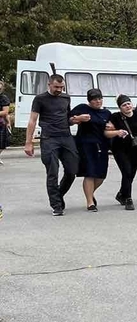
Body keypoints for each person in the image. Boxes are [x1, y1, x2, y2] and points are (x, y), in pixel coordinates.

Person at [24, 74, 90, 216]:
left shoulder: (66, 98)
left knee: (72, 171)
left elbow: (68, 119)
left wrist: (76, 119)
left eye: (62, 87)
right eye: (56, 87)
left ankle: (58, 194)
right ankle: (56, 205)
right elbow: (32, 120)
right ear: (49, 85)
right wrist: (28, 142)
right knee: (52, 172)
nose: (59, 90)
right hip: (49, 139)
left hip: (66, 137)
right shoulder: (40, 99)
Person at [70, 89, 127, 211]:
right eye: (95, 99)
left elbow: (112, 126)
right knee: (90, 173)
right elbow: (69, 120)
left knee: (101, 175)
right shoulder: (82, 108)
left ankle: (90, 193)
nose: (98, 101)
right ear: (89, 100)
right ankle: (90, 202)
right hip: (86, 145)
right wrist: (78, 118)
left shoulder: (106, 113)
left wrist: (112, 127)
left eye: (100, 99)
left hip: (102, 146)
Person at [109, 95, 137, 211]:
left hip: (134, 147)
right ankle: (128, 198)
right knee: (126, 171)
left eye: (128, 103)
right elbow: (108, 130)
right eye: (124, 105)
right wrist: (117, 132)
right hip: (119, 148)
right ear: (120, 108)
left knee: (131, 173)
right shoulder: (115, 117)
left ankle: (121, 193)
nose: (127, 106)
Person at [0, 81, 11, 164]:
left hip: (0, 124)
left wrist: (8, 123)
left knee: (2, 143)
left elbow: (5, 112)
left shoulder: (3, 98)